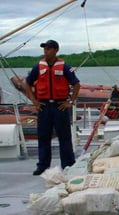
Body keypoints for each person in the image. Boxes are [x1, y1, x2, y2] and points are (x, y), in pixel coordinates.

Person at [24, 40, 80, 175]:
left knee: (64, 137)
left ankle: (67, 164)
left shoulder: (65, 67)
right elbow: (27, 83)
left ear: (55, 50)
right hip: (44, 106)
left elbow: (76, 84)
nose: (45, 51)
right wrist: (34, 102)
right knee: (43, 137)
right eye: (45, 49)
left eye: (48, 49)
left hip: (59, 106)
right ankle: (42, 165)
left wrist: (70, 102)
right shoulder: (38, 66)